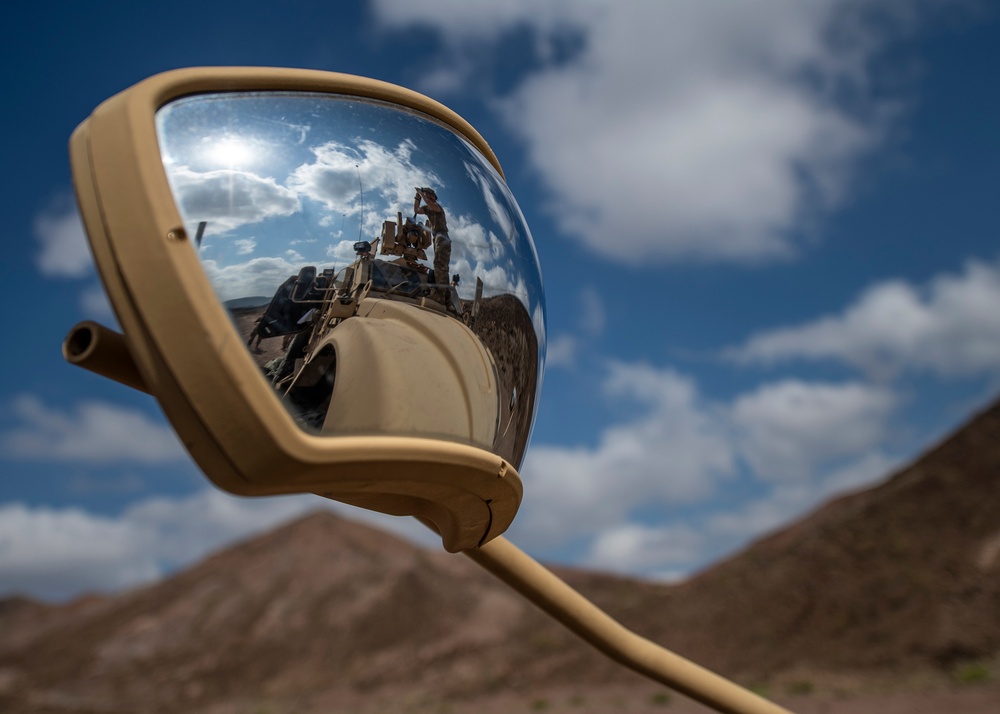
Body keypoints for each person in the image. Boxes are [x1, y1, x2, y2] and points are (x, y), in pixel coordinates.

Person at [414, 187, 451, 299]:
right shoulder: (427, 208)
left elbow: (430, 204)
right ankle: (445, 298)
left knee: (440, 266)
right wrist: (417, 197)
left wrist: (421, 194)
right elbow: (416, 210)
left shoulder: (437, 207)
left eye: (427, 195)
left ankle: (441, 297)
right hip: (437, 237)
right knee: (440, 266)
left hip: (442, 236)